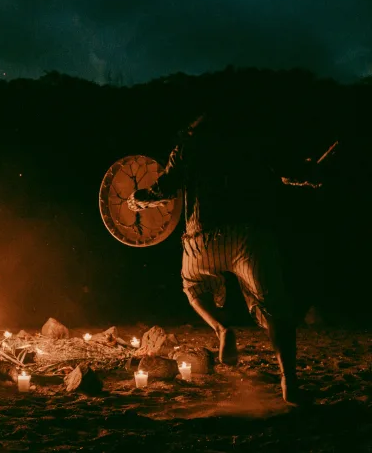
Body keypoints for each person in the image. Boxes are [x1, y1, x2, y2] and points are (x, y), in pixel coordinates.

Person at [128, 112, 322, 404]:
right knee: (275, 310)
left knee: (192, 286)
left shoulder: (187, 147)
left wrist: (137, 199)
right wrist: (310, 175)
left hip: (202, 239)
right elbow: (289, 172)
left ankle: (221, 328)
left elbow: (165, 189)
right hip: (249, 236)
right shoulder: (252, 141)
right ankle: (289, 381)